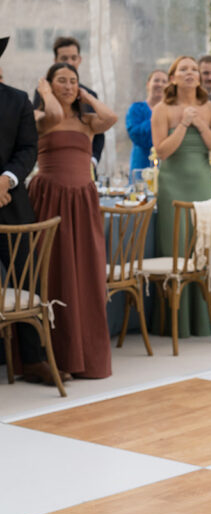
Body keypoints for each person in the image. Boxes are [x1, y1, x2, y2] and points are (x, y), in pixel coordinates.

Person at [29, 62, 117, 378]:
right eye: (61, 81)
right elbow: (52, 115)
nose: (68, 86)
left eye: (73, 81)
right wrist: (43, 92)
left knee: (86, 273)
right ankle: (57, 357)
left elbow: (111, 118)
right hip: (50, 198)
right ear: (49, 85)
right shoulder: (40, 117)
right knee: (55, 272)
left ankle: (87, 358)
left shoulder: (87, 121)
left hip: (82, 200)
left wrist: (86, 97)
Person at [151, 56, 211, 338]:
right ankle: (174, 322)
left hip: (201, 187)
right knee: (177, 248)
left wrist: (201, 125)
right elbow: (161, 151)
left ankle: (201, 320)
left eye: (193, 69)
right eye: (183, 69)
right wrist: (183, 124)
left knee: (201, 249)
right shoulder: (162, 109)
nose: (190, 73)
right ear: (172, 78)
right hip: (172, 188)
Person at [0, 36, 56, 384]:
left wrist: (5, 181)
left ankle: (33, 360)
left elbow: (28, 149)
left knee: (27, 279)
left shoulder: (18, 100)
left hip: (13, 206)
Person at [33, 36, 105, 167]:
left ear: (80, 59)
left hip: (85, 166)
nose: (70, 62)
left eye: (73, 58)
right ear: (55, 61)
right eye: (64, 58)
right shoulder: (43, 93)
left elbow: (100, 132)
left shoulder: (89, 95)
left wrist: (92, 161)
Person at [125, 69, 169, 173]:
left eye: (164, 81)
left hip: (166, 166)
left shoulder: (172, 111)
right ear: (148, 84)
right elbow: (135, 135)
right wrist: (156, 117)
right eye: (156, 80)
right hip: (141, 165)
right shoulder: (136, 109)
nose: (160, 84)